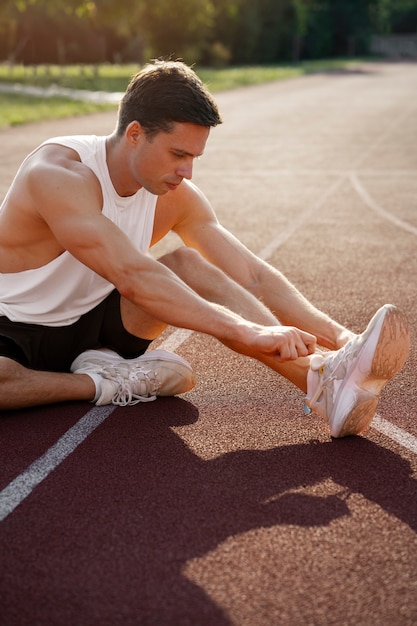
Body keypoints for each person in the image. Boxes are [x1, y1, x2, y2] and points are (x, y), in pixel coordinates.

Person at [0, 60, 410, 438]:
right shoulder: (58, 176)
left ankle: (322, 380)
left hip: (93, 324)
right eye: (178, 154)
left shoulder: (173, 193)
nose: (187, 171)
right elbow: (134, 276)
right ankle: (104, 380)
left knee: (187, 263)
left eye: (194, 157)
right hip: (12, 327)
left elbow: (250, 274)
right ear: (135, 133)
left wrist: (343, 339)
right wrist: (248, 332)